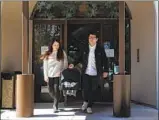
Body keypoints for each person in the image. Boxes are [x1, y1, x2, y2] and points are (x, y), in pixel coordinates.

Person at [69, 31, 108, 114]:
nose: (91, 39)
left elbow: (105, 60)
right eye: (90, 38)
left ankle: (90, 106)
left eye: (93, 38)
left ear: (96, 39)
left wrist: (106, 71)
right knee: (85, 89)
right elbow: (79, 58)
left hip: (96, 73)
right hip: (86, 72)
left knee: (93, 90)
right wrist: (73, 63)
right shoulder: (85, 48)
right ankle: (85, 101)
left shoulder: (100, 49)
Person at [41, 38, 68, 113]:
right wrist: (45, 76)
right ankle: (56, 99)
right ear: (51, 45)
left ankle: (55, 105)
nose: (56, 46)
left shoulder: (62, 52)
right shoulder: (48, 53)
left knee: (56, 90)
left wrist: (62, 71)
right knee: (50, 90)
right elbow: (45, 66)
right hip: (49, 74)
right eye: (55, 45)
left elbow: (65, 63)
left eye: (58, 45)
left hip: (58, 75)